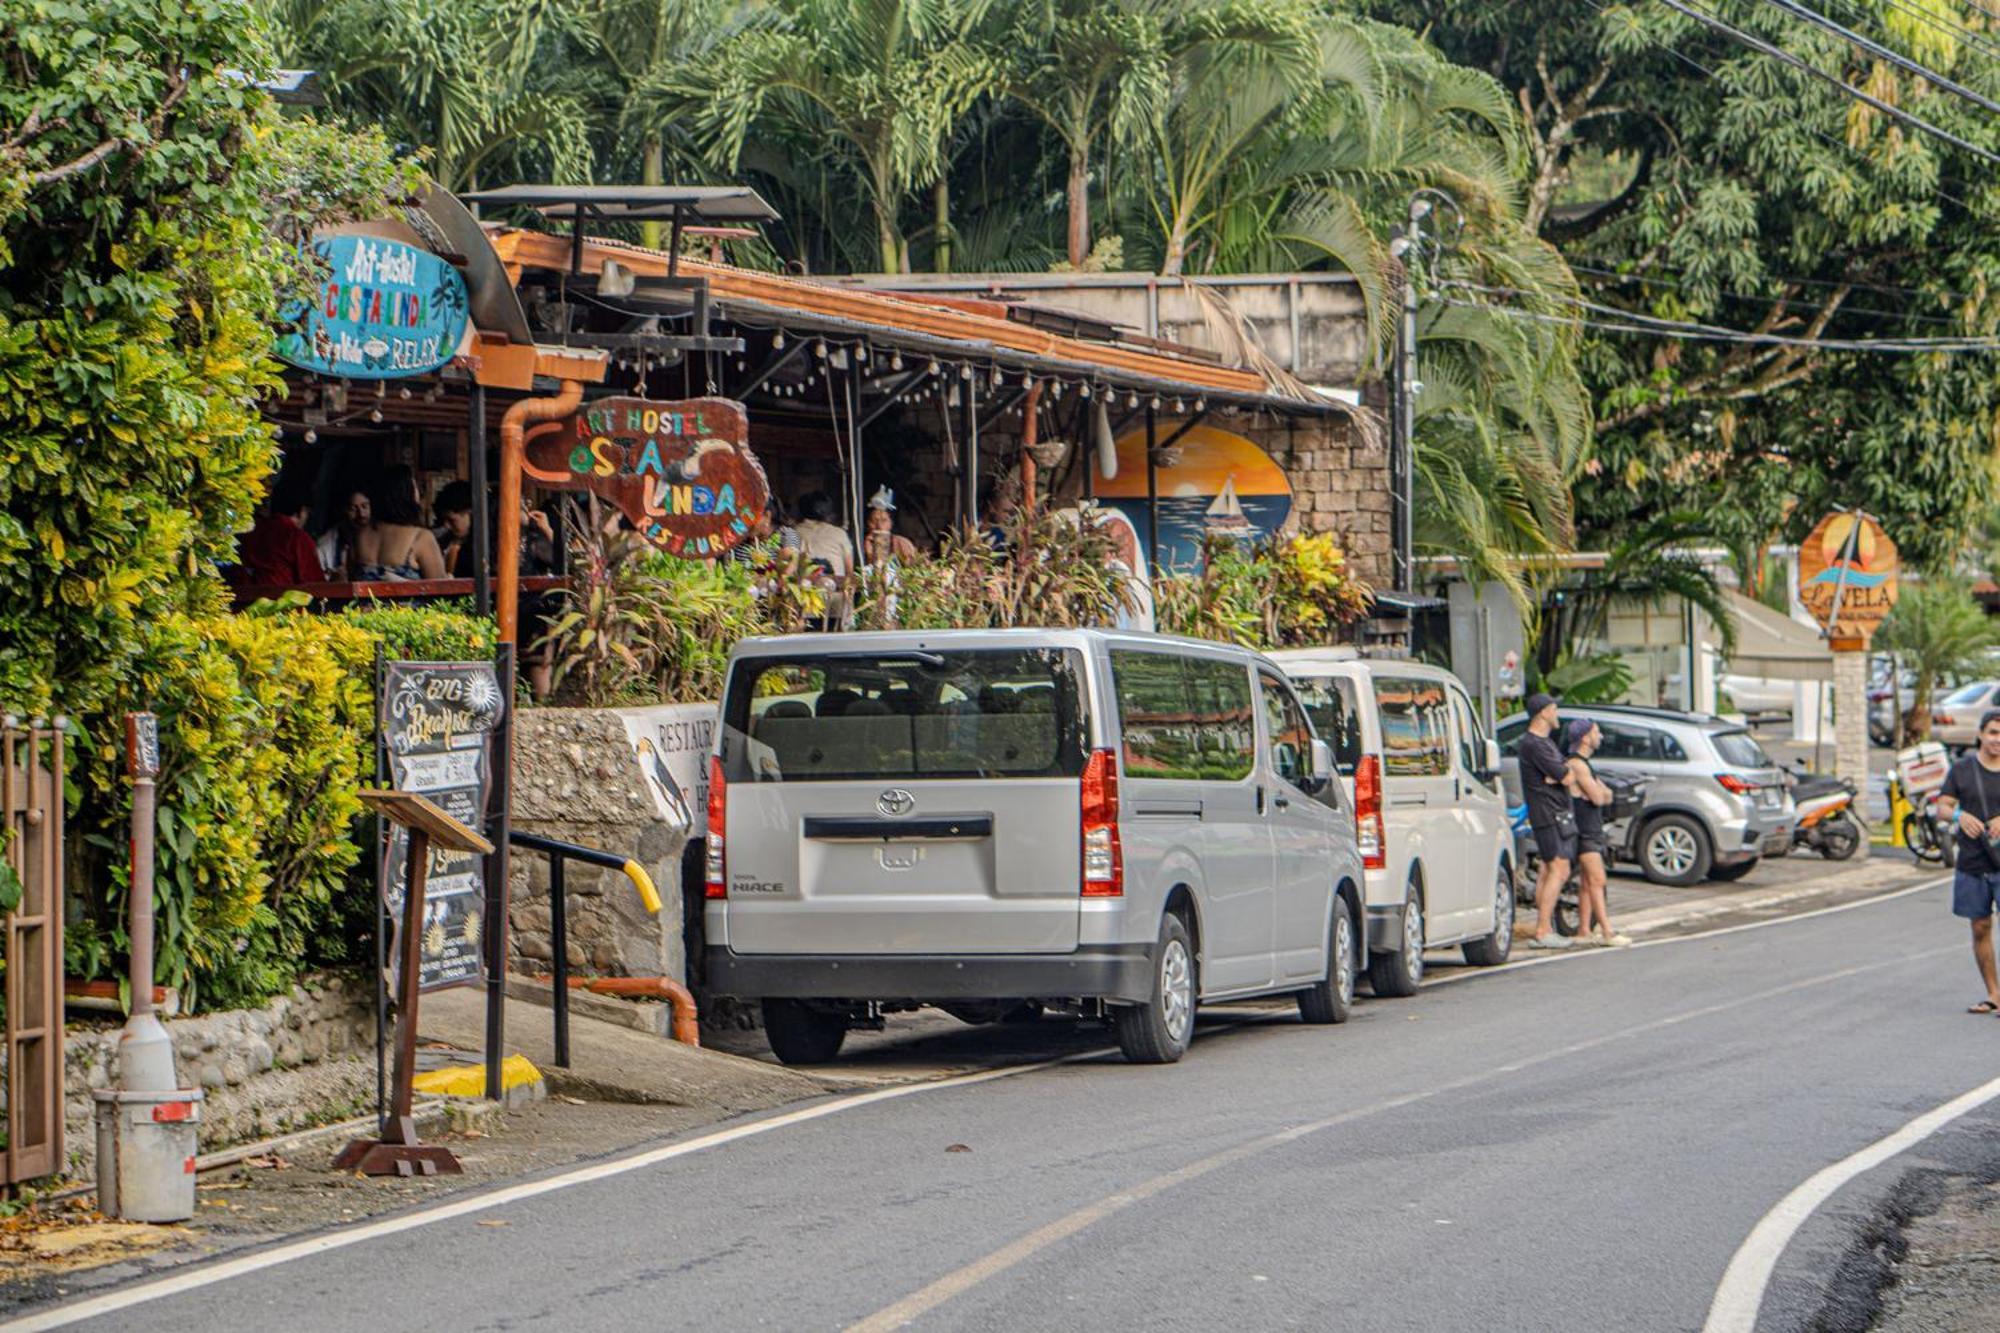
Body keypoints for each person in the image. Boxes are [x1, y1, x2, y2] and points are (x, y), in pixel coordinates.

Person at [1936, 709, 2000, 1014]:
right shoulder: (1962, 769)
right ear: (1980, 735)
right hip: (1973, 862)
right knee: (1980, 927)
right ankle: (1993, 994)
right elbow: (1943, 806)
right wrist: (1961, 816)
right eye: (1993, 733)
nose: (1997, 740)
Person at [1564, 719, 1630, 948]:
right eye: (1596, 732)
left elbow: (1607, 794)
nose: (1600, 736)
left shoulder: (1585, 764)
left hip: (1591, 828)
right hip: (1584, 831)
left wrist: (1599, 792)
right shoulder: (1577, 765)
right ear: (1584, 737)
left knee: (1586, 882)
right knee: (1598, 880)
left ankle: (1584, 930)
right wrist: (1599, 792)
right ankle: (1607, 931)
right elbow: (1599, 797)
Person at [1518, 691, 1575, 950]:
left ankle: (1544, 925)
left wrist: (1559, 774)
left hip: (1553, 812)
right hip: (1547, 813)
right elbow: (1566, 776)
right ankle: (1543, 929)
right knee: (1558, 869)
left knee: (1547, 869)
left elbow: (1564, 772)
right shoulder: (1534, 744)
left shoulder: (1546, 743)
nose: (1557, 714)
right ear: (1543, 712)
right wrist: (1559, 775)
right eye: (1554, 709)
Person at [353, 465, 446, 581]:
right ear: (406, 493)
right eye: (414, 486)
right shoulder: (420, 538)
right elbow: (441, 589)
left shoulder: (361, 535)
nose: (418, 492)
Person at [236, 469, 325, 588]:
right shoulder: (296, 537)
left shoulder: (249, 533)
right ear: (301, 511)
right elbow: (315, 584)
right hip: (282, 604)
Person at [316, 487, 370, 579]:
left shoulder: (380, 537)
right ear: (343, 511)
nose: (361, 514)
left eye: (365, 506)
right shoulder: (324, 545)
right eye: (353, 509)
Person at [432, 480, 474, 575]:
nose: (446, 526)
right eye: (443, 520)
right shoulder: (443, 541)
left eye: (452, 520)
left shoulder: (485, 546)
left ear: (469, 513)